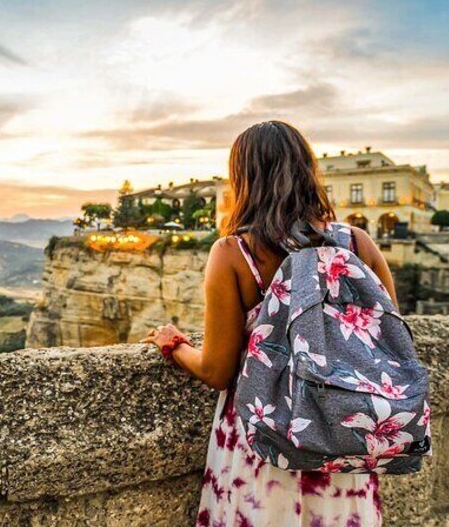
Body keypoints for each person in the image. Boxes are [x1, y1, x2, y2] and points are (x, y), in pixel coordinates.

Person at [142, 120, 396, 526]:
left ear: (244, 179)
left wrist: (174, 344)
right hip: (342, 446)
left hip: (263, 446)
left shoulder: (234, 254)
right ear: (307, 171)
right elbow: (390, 345)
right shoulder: (358, 243)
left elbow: (217, 370)